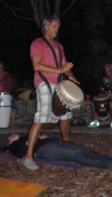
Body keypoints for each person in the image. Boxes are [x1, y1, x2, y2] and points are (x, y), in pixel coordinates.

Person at [24, 15, 80, 170]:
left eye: (58, 26)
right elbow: (36, 66)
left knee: (65, 115)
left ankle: (66, 148)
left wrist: (72, 77)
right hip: (44, 83)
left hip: (59, 85)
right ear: (46, 26)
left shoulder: (59, 46)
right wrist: (59, 70)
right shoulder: (37, 43)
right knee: (41, 117)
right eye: (54, 26)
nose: (57, 29)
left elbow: (64, 66)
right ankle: (28, 156)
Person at [6, 133, 112, 169]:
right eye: (11, 135)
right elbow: (22, 152)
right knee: (75, 154)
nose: (13, 134)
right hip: (44, 150)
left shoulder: (23, 137)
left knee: (82, 150)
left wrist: (40, 137)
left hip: (50, 143)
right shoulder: (13, 146)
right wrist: (29, 144)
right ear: (9, 141)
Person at [89, 63, 112, 129]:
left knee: (110, 103)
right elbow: (101, 92)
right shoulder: (104, 80)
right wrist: (103, 95)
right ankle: (96, 121)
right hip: (106, 98)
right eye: (106, 71)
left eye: (108, 71)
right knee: (92, 102)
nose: (107, 73)